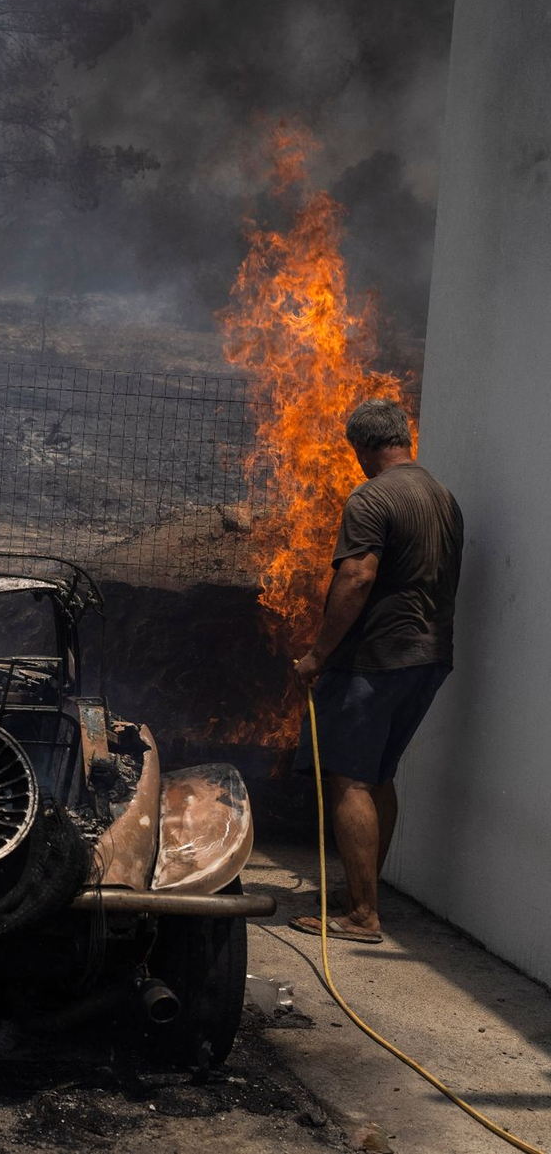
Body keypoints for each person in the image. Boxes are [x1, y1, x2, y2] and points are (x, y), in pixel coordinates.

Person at [289, 398, 463, 944]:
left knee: (349, 778)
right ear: (403, 436)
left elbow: (357, 578)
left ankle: (362, 915)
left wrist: (318, 654)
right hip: (429, 656)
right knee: (379, 775)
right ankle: (362, 892)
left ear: (362, 447)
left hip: (377, 660)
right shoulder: (442, 496)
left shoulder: (372, 496)